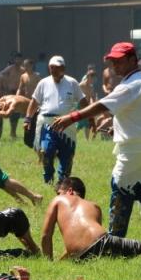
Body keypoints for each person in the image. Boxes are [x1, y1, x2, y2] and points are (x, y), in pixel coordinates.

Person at [52, 42, 141, 251]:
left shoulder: (132, 84)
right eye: (113, 61)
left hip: (134, 154)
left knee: (120, 189)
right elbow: (139, 115)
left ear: (133, 60)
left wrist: (73, 116)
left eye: (119, 61)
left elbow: (103, 104)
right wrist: (117, 130)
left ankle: (113, 243)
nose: (115, 65)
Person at [41, 176, 141, 261]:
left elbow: (46, 235)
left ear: (69, 191)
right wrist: (61, 262)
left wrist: (49, 263)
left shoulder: (58, 200)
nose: (57, 196)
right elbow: (89, 241)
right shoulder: (94, 207)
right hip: (103, 244)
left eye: (59, 193)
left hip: (81, 255)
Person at [25, 55, 87, 185]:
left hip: (67, 124)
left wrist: (91, 117)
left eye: (57, 68)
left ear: (63, 68)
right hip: (48, 123)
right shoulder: (43, 83)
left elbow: (83, 101)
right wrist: (28, 119)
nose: (54, 70)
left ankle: (62, 182)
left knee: (67, 155)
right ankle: (48, 178)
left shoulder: (72, 83)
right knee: (47, 151)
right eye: (52, 67)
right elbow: (34, 102)